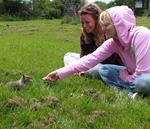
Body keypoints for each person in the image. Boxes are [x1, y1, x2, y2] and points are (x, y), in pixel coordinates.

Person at [43, 6, 150, 97]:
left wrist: (126, 77)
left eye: (106, 25)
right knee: (104, 70)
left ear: (119, 24)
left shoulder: (141, 35)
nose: (103, 29)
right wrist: (59, 73)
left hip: (145, 76)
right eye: (102, 25)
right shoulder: (113, 43)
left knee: (143, 82)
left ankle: (132, 91)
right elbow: (90, 59)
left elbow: (143, 72)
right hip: (132, 75)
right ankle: (134, 91)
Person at [64, 3, 122, 78]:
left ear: (96, 21)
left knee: (98, 69)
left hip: (108, 66)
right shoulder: (84, 35)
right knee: (68, 56)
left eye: (87, 22)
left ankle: (81, 72)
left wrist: (89, 62)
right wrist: (83, 63)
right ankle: (80, 71)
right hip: (91, 62)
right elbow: (83, 55)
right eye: (82, 22)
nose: (84, 26)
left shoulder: (107, 34)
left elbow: (110, 61)